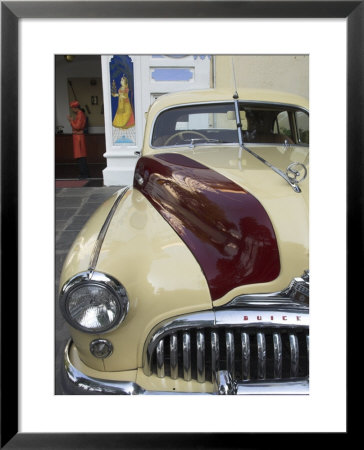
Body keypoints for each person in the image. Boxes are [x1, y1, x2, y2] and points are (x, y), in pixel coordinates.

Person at [67, 100, 90, 179]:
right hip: (78, 137)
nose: (72, 110)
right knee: (80, 157)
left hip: (79, 138)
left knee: (81, 157)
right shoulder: (79, 114)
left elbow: (77, 127)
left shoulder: (80, 114)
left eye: (72, 108)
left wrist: (71, 121)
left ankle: (84, 174)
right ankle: (84, 173)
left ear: (74, 108)